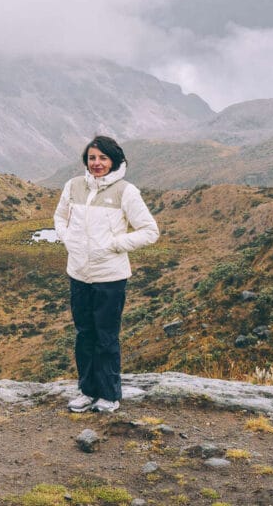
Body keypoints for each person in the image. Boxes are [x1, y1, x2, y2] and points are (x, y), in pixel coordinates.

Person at [53, 136, 159, 413]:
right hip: (78, 273)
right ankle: (87, 391)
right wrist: (68, 240)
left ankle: (109, 395)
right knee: (84, 334)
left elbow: (150, 231)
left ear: (114, 160)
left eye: (102, 158)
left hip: (110, 278)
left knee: (106, 337)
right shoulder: (73, 186)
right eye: (92, 158)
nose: (96, 163)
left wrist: (114, 245)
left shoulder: (126, 191)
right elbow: (59, 217)